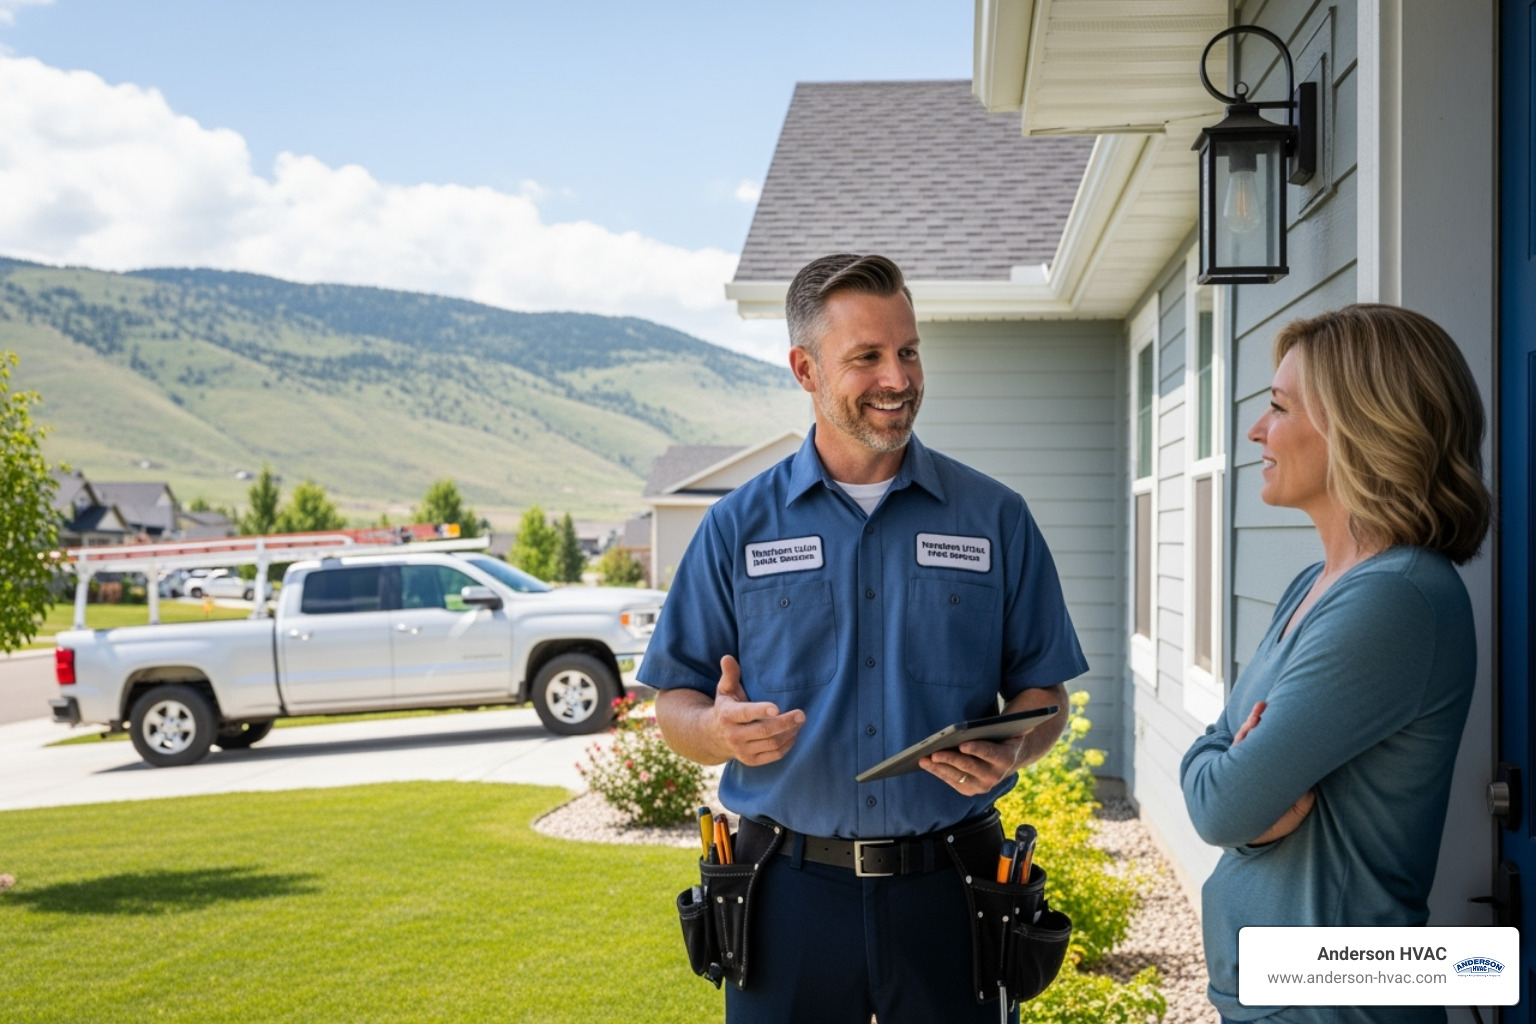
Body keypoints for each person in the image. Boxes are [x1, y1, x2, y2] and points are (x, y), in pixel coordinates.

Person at [639, 253, 1087, 1024]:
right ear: (805, 369)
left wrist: (1017, 747)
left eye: (908, 351)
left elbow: (1047, 696)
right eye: (867, 357)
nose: (898, 377)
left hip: (954, 891)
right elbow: (673, 704)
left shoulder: (995, 518)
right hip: (785, 898)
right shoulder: (736, 529)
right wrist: (716, 730)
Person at [1180, 304, 1492, 1024]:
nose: (1257, 429)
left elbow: (1218, 801)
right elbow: (1215, 765)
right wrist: (1238, 788)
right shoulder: (1314, 586)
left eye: (1279, 407)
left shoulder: (1396, 601)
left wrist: (1238, 795)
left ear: (1360, 427)